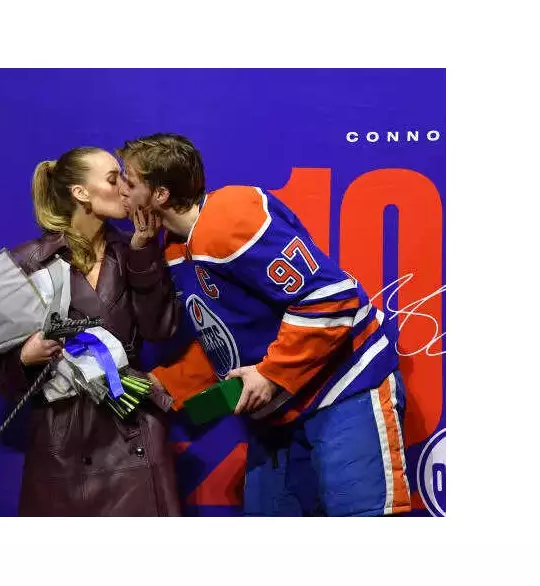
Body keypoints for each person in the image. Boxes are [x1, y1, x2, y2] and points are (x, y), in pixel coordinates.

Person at [118, 133, 411, 517]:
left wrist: (271, 374)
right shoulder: (174, 248)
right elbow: (225, 342)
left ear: (159, 194)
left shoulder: (231, 216)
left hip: (344, 386)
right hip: (280, 413)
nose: (120, 189)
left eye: (129, 182)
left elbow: (331, 297)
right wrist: (165, 384)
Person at [0, 146, 182, 516]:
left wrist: (144, 253)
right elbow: (1, 366)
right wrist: (23, 357)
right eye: (113, 179)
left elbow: (160, 329)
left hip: (131, 425)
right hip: (63, 437)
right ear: (80, 193)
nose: (125, 187)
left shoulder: (134, 249)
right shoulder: (28, 262)